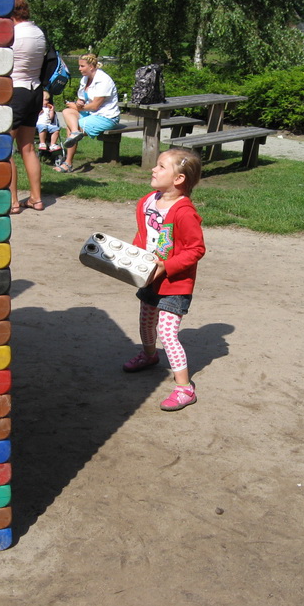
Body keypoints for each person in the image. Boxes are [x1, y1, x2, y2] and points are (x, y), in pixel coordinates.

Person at [122, 148, 206, 411]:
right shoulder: (147, 201)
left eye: (160, 167)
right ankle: (149, 356)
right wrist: (134, 258)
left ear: (178, 179)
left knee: (168, 333)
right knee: (146, 323)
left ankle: (184, 388)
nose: (153, 170)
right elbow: (143, 235)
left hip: (174, 283)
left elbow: (196, 249)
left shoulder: (184, 212)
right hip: (149, 278)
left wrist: (165, 266)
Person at [8, 0, 46, 213]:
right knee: (28, 147)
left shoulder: (13, 32)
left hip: (15, 90)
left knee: (7, 149)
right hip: (35, 91)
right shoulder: (38, 32)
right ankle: (36, 198)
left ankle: (13, 202)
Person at [54, 53, 120, 173]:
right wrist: (78, 103)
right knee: (67, 111)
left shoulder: (103, 80)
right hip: (91, 113)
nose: (79, 69)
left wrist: (78, 108)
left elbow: (95, 105)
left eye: (82, 66)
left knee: (71, 125)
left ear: (91, 66)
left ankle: (68, 163)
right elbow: (83, 99)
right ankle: (75, 133)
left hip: (106, 116)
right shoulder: (85, 79)